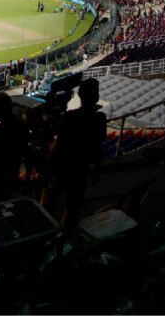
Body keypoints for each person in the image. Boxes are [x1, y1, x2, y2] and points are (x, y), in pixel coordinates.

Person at [42, 78, 107, 231]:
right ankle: (65, 240)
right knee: (72, 210)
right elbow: (98, 147)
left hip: (63, 168)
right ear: (96, 97)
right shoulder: (100, 119)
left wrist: (48, 172)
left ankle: (45, 236)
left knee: (48, 206)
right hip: (81, 170)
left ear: (80, 95)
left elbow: (58, 147)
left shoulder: (69, 117)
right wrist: (96, 170)